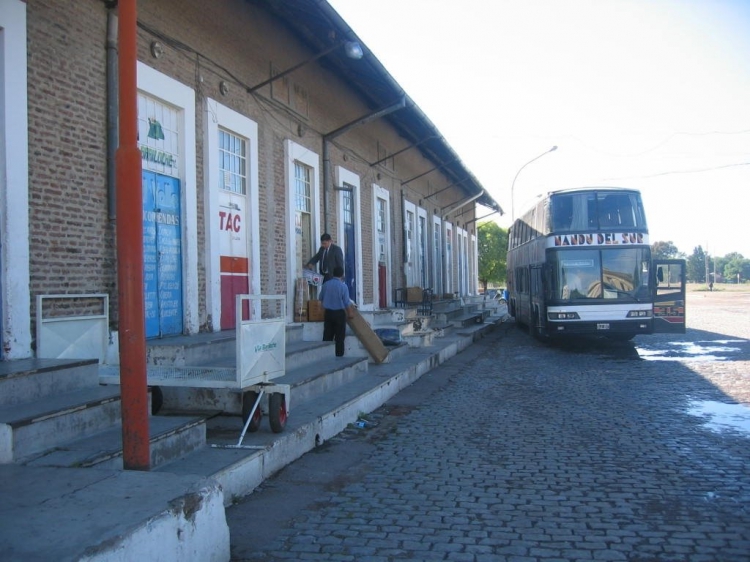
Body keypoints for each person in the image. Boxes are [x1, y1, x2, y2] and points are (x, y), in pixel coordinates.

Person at [318, 266, 355, 357]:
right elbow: (346, 302)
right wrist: (350, 314)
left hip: (328, 313)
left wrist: (321, 312)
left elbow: (320, 300)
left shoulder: (325, 285)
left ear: (333, 274)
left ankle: (326, 355)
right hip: (339, 314)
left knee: (327, 335)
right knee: (339, 337)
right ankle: (339, 356)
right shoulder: (343, 286)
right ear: (342, 275)